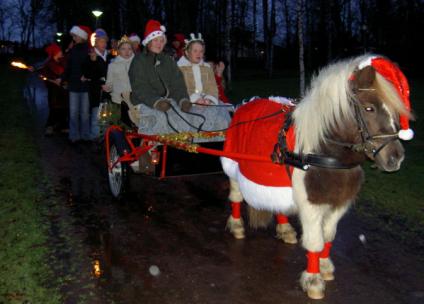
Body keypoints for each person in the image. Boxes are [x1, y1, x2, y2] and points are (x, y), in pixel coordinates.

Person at [129, 19, 190, 112]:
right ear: (148, 42)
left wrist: (182, 99)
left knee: (187, 116)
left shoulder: (168, 60)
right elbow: (140, 87)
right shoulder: (139, 61)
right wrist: (156, 102)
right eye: (155, 40)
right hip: (145, 102)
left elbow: (178, 83)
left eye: (162, 41)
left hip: (168, 101)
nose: (159, 44)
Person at [61, 25, 91, 143]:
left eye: (75, 36)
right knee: (73, 112)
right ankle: (74, 136)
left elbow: (92, 67)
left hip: (85, 87)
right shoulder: (73, 50)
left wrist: (87, 76)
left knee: (84, 113)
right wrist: (62, 78)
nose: (73, 38)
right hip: (73, 86)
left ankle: (85, 135)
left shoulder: (89, 50)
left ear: (81, 36)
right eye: (73, 36)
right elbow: (68, 68)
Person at [85, 28, 113, 140]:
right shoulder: (90, 57)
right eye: (101, 41)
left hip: (109, 91)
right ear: (96, 42)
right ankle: (95, 138)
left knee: (107, 115)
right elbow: (88, 74)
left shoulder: (110, 57)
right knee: (96, 115)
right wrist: (100, 82)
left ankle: (104, 138)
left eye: (105, 41)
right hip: (97, 91)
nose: (104, 43)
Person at [177, 33, 220, 105]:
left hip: (206, 102)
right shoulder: (180, 68)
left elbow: (212, 86)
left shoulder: (207, 68)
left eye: (201, 51)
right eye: (195, 51)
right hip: (187, 101)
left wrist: (209, 98)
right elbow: (180, 87)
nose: (198, 54)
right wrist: (195, 99)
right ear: (187, 52)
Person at [103, 35, 135, 123]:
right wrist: (107, 87)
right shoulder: (113, 65)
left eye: (129, 48)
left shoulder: (137, 64)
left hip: (134, 101)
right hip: (118, 101)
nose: (127, 51)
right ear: (119, 50)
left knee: (135, 126)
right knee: (120, 126)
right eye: (123, 49)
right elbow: (109, 82)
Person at [41, 43, 68, 135]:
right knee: (54, 107)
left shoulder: (63, 61)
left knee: (64, 107)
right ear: (55, 52)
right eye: (59, 51)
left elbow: (67, 72)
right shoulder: (48, 64)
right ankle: (50, 126)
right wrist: (54, 82)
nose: (61, 52)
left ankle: (62, 126)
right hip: (53, 90)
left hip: (63, 89)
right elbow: (45, 77)